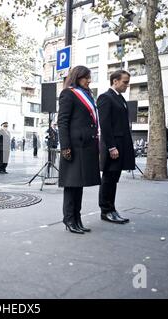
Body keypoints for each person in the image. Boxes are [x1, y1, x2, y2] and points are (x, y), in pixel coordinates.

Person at [58, 66, 101, 234]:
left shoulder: (87, 94)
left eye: (89, 77)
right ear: (77, 77)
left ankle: (77, 218)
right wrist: (65, 147)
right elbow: (63, 122)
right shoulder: (68, 94)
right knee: (71, 184)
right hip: (74, 146)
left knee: (79, 184)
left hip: (87, 146)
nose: (89, 80)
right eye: (86, 77)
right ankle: (69, 219)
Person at [97, 70, 134, 224]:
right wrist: (111, 147)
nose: (127, 85)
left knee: (114, 179)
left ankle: (112, 209)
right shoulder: (105, 97)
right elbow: (105, 125)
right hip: (112, 145)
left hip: (121, 144)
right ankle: (106, 211)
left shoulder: (120, 98)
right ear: (115, 81)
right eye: (125, 82)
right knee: (108, 178)